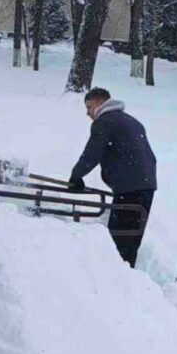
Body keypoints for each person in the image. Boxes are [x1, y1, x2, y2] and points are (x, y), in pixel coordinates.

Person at [68, 88, 157, 267]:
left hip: (129, 188)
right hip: (146, 186)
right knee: (131, 241)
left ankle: (121, 287)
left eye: (89, 107)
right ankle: (131, 282)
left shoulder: (105, 122)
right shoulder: (132, 121)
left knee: (118, 242)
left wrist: (76, 176)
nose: (87, 113)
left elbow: (92, 153)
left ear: (100, 103)